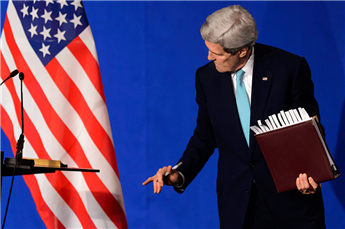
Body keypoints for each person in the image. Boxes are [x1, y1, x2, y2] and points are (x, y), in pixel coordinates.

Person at [143, 5, 325, 229]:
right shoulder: (206, 77)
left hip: (291, 201)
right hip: (238, 205)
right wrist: (179, 173)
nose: (209, 57)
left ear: (243, 50)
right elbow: (204, 136)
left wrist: (312, 175)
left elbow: (310, 129)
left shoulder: (289, 68)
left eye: (217, 53)